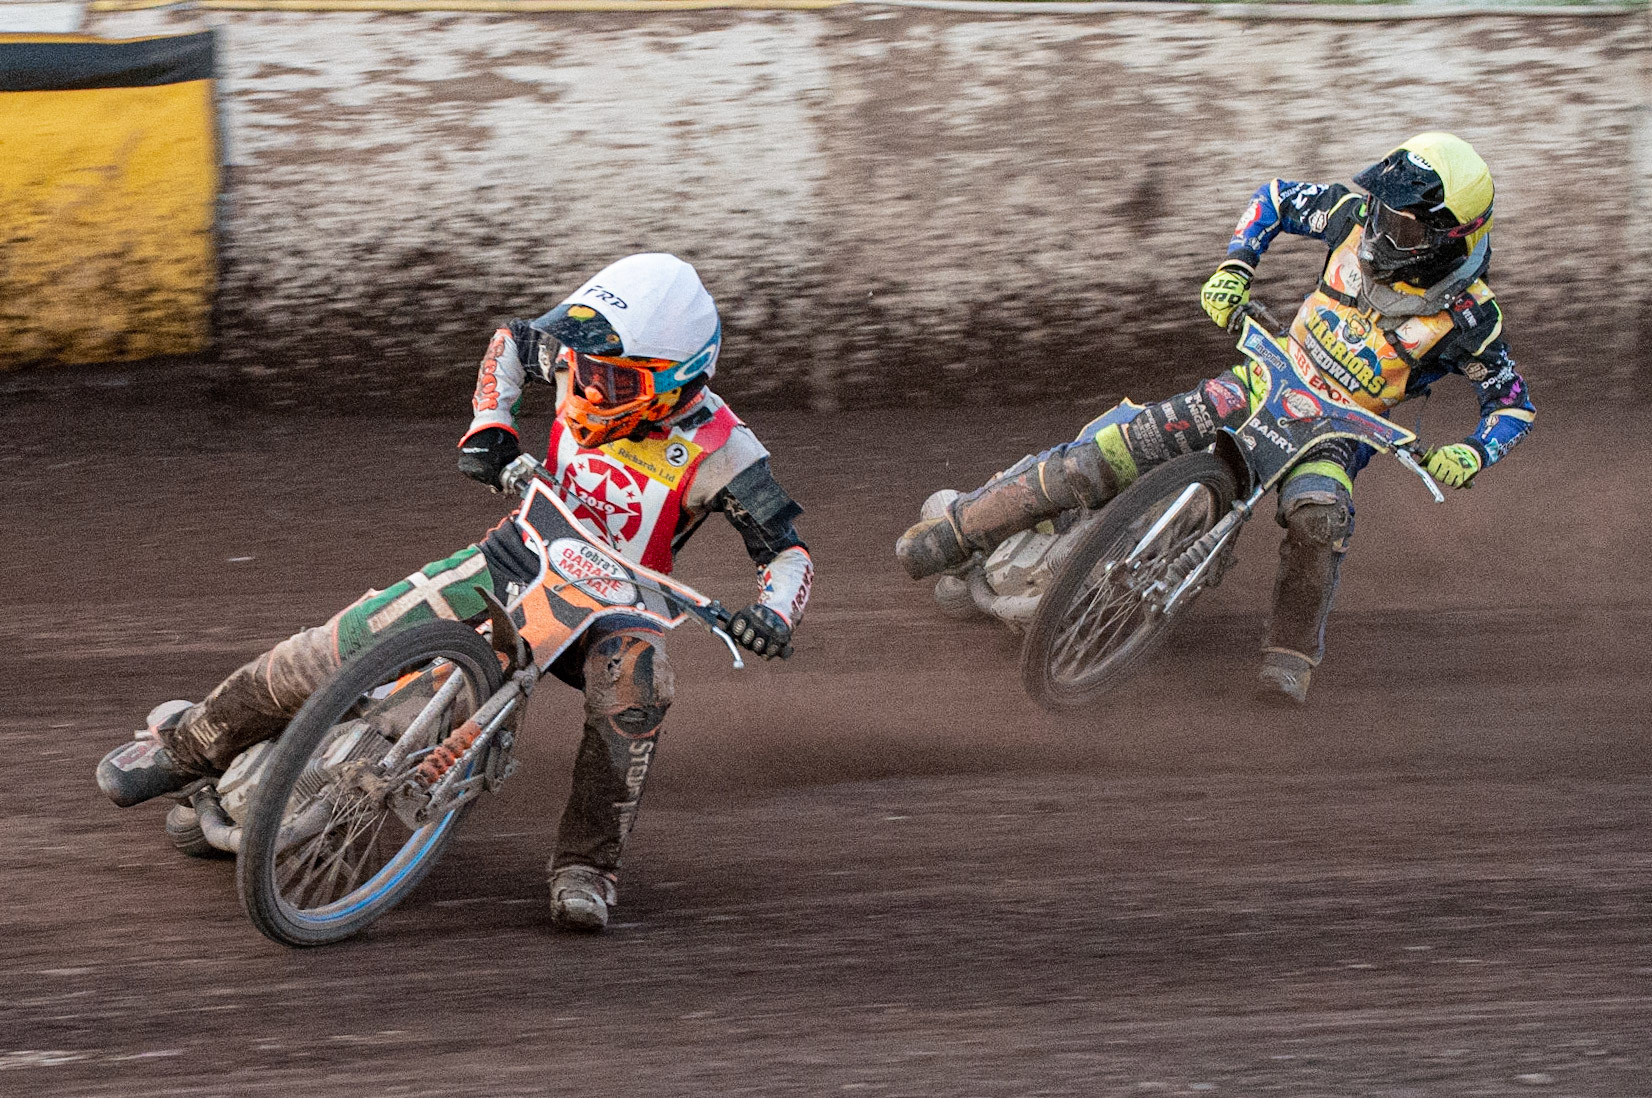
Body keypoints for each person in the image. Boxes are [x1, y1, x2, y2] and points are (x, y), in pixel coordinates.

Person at [97, 253, 814, 931]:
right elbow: (509, 340)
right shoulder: (572, 359)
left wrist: (773, 614)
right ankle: (186, 746)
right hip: (517, 551)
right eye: (583, 368)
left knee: (639, 693)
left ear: (680, 381)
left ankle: (588, 868)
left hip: (620, 603)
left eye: (617, 381)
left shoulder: (727, 452)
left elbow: (785, 551)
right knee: (342, 641)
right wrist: (491, 426)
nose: (589, 388)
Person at [895, 132, 1534, 703]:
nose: (1383, 230)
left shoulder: (1472, 321)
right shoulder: (1349, 218)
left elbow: (1513, 404)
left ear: (1453, 238)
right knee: (1113, 449)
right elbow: (1277, 198)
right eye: (1383, 212)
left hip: (1335, 435)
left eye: (1407, 227)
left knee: (1320, 520)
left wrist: (1474, 451)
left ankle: (1290, 655)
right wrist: (1236, 263)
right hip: (1260, 381)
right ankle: (959, 530)